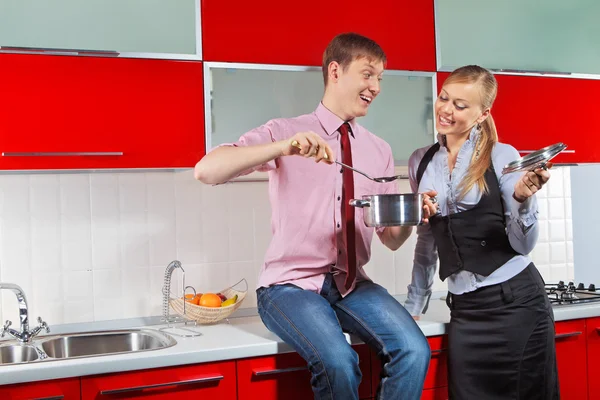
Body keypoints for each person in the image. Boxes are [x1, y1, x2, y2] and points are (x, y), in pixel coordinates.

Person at [195, 32, 437, 400]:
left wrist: (411, 215)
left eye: (381, 79)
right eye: (368, 74)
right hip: (288, 287)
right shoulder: (284, 132)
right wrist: (282, 148)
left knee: (414, 350)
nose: (376, 86)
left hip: (353, 286)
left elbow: (390, 238)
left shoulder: (379, 150)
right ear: (335, 71)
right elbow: (206, 171)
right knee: (338, 360)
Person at [405, 65, 558, 399]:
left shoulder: (502, 155)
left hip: (516, 305)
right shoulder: (420, 161)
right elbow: (427, 239)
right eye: (444, 98)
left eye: (460, 105)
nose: (446, 109)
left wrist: (522, 199)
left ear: (482, 113)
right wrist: (414, 306)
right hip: (465, 312)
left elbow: (523, 246)